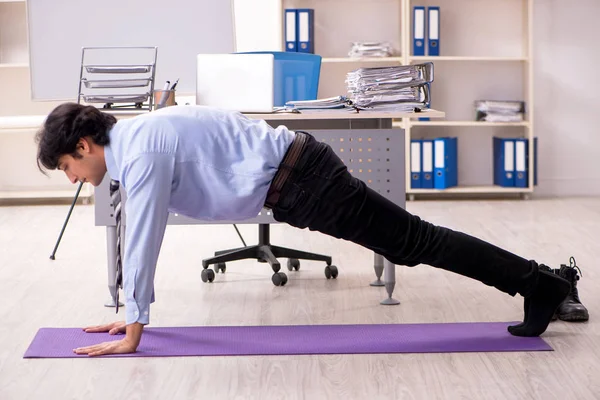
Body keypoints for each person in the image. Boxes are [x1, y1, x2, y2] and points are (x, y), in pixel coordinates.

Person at [36, 102, 571, 357]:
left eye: (66, 167)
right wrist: (132, 313)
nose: (73, 179)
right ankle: (540, 281)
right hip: (297, 181)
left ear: (83, 146)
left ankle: (539, 283)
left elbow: (145, 236)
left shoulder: (142, 151)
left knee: (414, 242)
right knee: (412, 243)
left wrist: (134, 329)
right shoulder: (138, 142)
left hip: (303, 182)